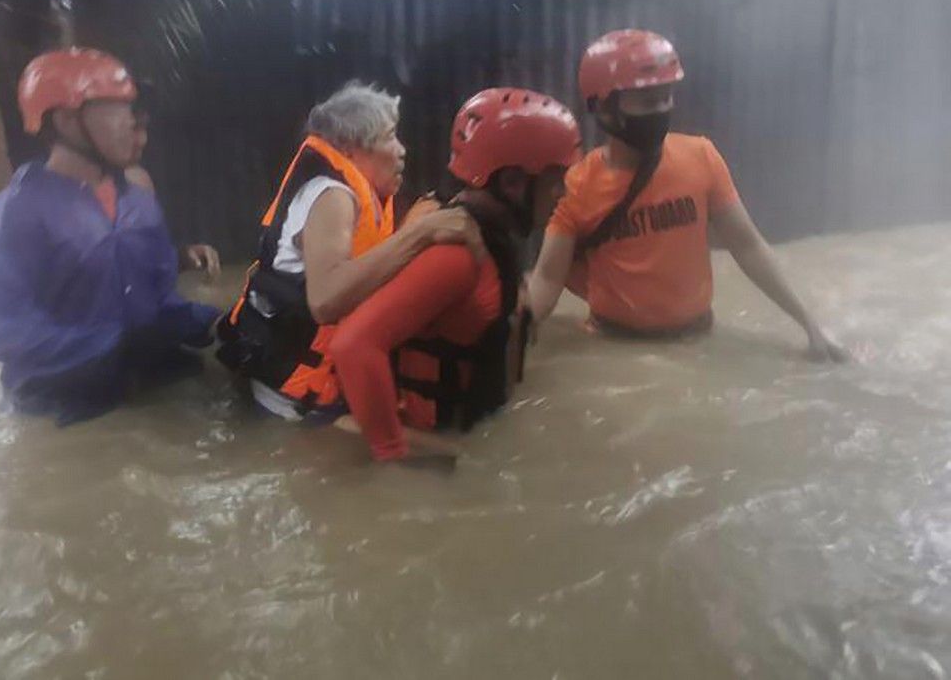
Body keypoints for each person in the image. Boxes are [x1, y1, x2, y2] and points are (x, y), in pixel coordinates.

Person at [525, 29, 846, 360]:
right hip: (615, 347)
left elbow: (747, 246)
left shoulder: (701, 157)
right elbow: (548, 278)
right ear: (604, 106)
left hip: (699, 340)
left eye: (666, 97)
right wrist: (511, 334)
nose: (662, 109)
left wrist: (808, 323)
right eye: (648, 101)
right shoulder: (578, 185)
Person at [0, 47, 223, 424]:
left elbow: (160, 300)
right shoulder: (13, 214)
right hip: (60, 409)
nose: (131, 124)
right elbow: (1, 329)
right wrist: (110, 344)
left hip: (138, 389)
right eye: (117, 111)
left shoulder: (138, 203)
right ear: (67, 120)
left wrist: (217, 323)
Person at [326, 88, 582, 461]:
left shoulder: (485, 231)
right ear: (512, 182)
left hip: (473, 427)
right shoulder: (457, 255)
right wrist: (395, 453)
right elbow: (352, 346)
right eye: (556, 179)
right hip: (435, 441)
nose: (564, 192)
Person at [216, 81, 480, 420]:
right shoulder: (332, 196)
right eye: (390, 137)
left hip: (315, 385)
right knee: (433, 452)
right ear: (352, 149)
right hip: (294, 406)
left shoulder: (355, 193)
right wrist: (420, 234)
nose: (402, 150)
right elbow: (326, 301)